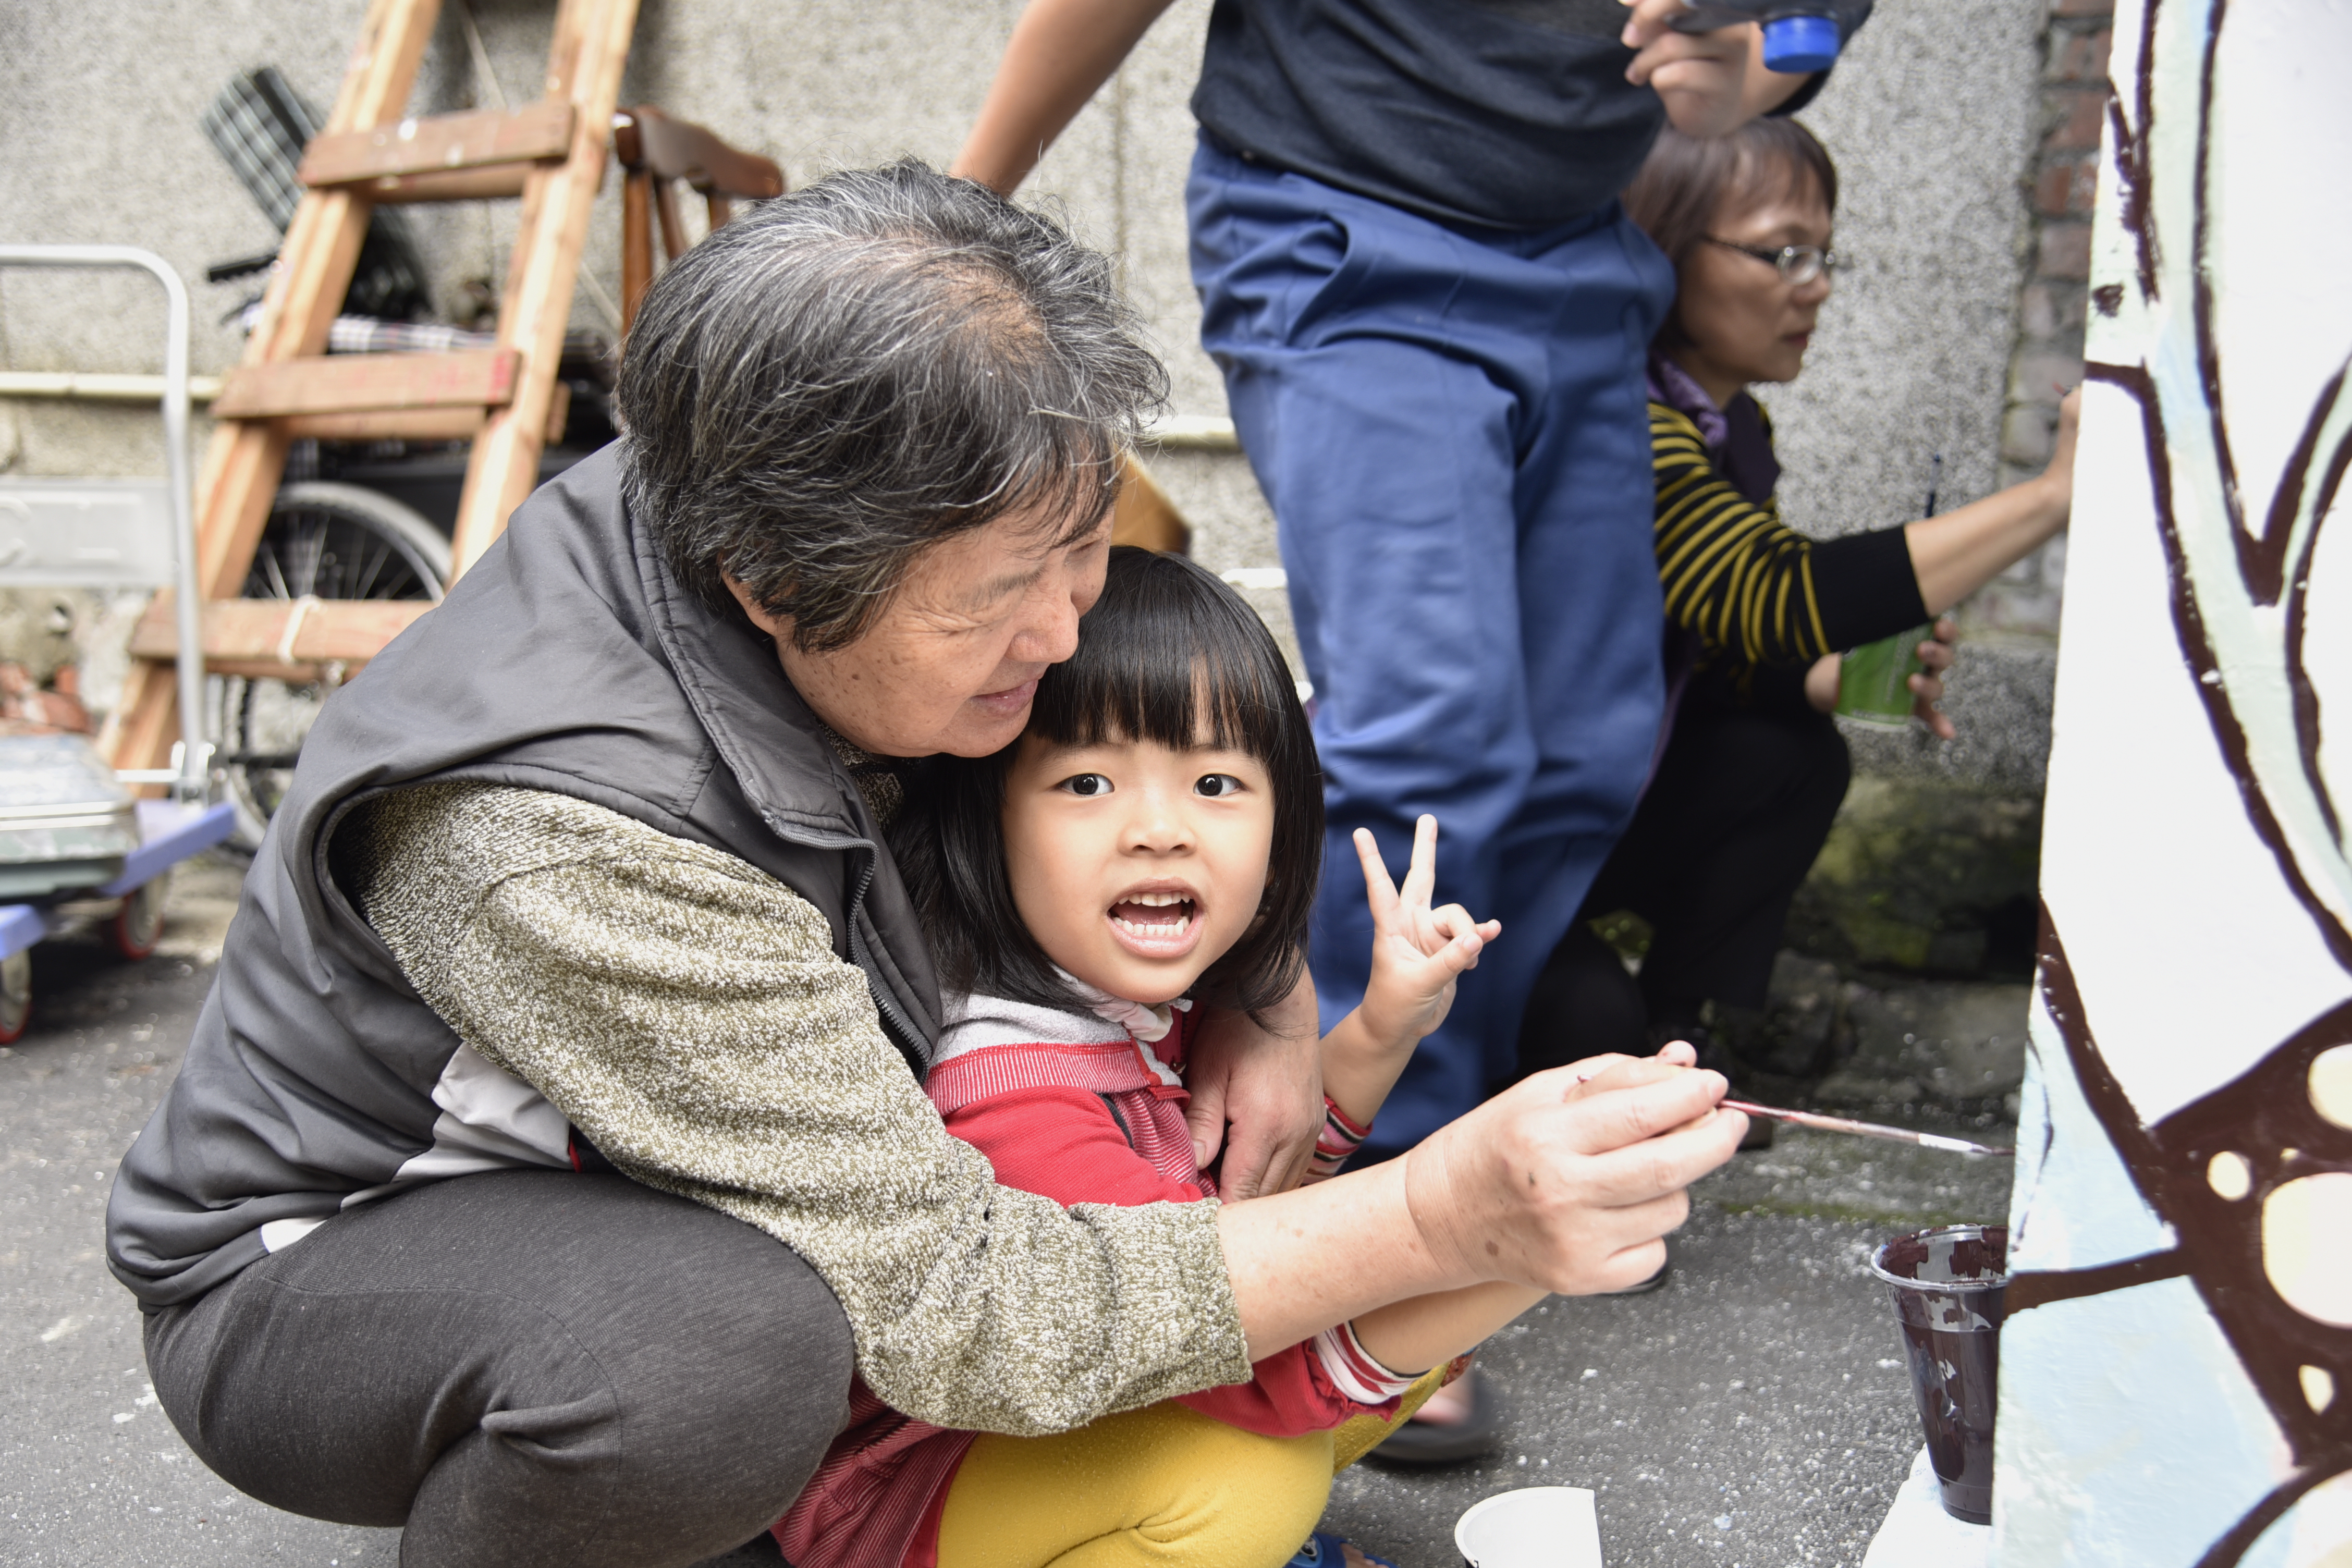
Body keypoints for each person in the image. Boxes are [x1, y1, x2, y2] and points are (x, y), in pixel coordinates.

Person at [104, 161, 1745, 1567]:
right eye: (1002, 599)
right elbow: (970, 1307)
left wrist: (1264, 982)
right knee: (723, 1355)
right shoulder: (556, 842)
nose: (1066, 625)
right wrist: (1447, 1211)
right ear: (770, 580)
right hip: (326, 1264)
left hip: (652, 1147)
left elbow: (1144, 708)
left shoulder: (869, 456)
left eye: (1087, 544)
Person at [952, 0, 1872, 1466]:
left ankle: (1434, 1158)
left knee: (1584, 747)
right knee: (1437, 738)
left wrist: (1775, 60)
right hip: (1346, 213)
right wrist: (967, 204)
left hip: (1583, 245)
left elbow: (1809, 17)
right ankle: (1358, 1234)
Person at [782, 546, 1536, 1568]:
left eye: (1216, 781)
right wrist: (1519, 1233)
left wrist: (1382, 1028)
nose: (1159, 830)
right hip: (913, 1496)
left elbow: (1270, 1189)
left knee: (1371, 1327)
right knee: (1250, 1480)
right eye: (1087, 780)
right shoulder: (1010, 1088)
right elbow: (1243, 1353)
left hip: (1077, 1424)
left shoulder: (1121, 1000)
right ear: (984, 818)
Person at [1516, 118, 2083, 1085]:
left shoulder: (1727, 427)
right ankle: (1618, 1036)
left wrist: (1826, 677)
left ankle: (1681, 1038)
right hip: (1501, 842)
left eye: (1823, 254)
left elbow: (1720, 636)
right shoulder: (1615, 421)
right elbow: (1769, 592)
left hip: (1599, 805)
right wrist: (2052, 497)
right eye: (1782, 252)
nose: (1813, 284)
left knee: (1792, 757)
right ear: (1658, 249)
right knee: (1584, 1032)